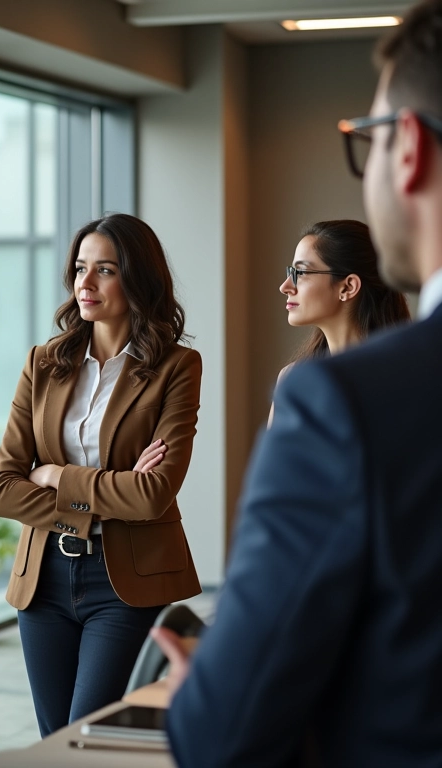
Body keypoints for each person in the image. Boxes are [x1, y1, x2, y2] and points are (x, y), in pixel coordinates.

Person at [154, 1, 442, 765]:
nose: (285, 286)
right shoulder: (319, 385)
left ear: (407, 148)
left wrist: (201, 700)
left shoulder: (344, 403)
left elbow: (231, 722)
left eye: (368, 140)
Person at [0, 212, 202, 737]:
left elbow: (153, 494)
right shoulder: (44, 362)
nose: (85, 283)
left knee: (88, 737)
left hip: (124, 581)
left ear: (138, 278)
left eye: (104, 269)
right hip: (43, 581)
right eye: (81, 268)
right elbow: (4, 489)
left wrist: (56, 476)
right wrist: (112, 488)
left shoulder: (177, 367)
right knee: (53, 739)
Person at [268, 219, 410, 424]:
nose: (285, 286)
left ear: (348, 287)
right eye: (291, 272)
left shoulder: (403, 379)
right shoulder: (292, 379)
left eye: (301, 272)